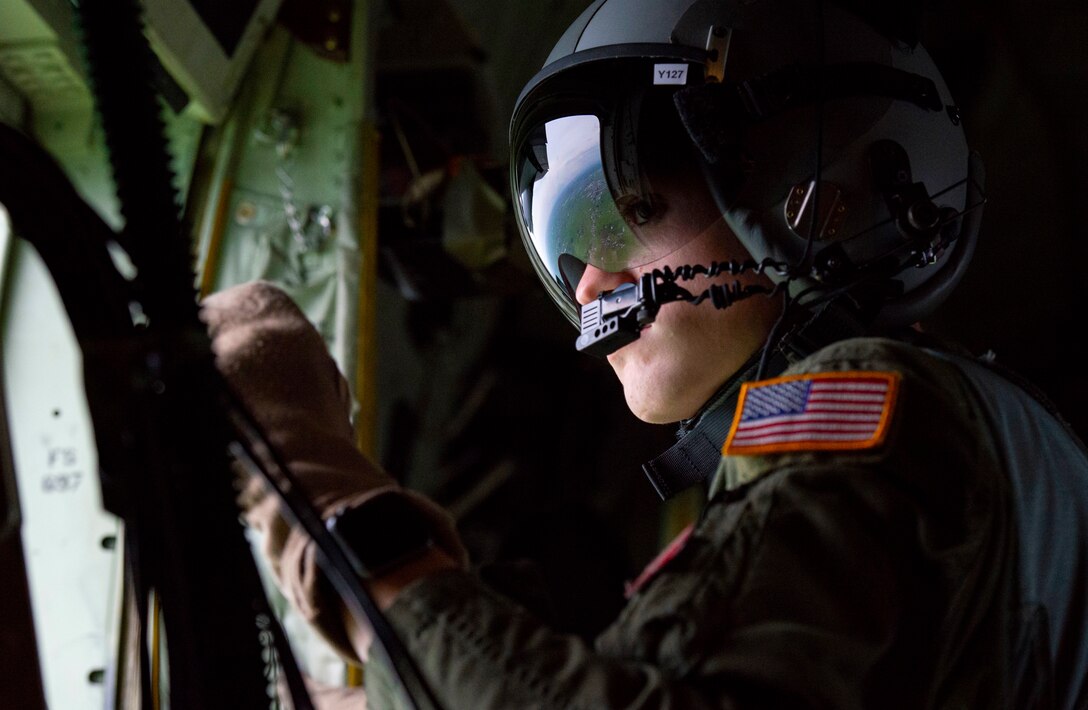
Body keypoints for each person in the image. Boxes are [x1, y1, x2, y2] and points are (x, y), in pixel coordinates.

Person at [202, 0, 1088, 707]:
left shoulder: (877, 397)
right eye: (567, 250)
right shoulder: (984, 438)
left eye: (625, 210)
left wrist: (315, 489)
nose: (587, 289)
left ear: (809, 190)